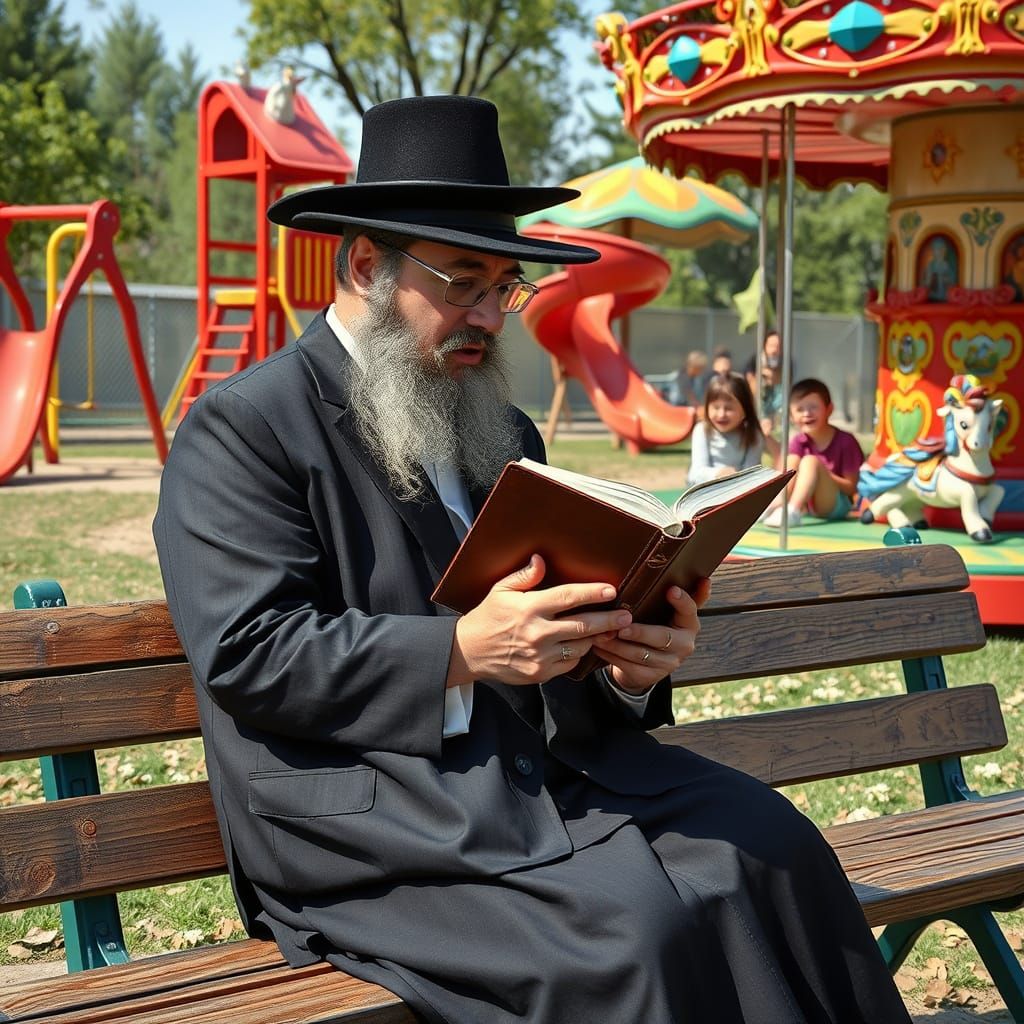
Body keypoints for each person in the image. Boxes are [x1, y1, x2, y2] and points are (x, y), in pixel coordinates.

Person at [153, 95, 911, 1024]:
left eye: (505, 286)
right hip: (373, 821)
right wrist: (462, 653)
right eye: (463, 282)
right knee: (637, 937)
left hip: (537, 777)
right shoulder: (245, 427)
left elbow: (549, 626)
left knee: (777, 849)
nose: (489, 316)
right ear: (364, 264)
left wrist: (627, 661)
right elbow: (250, 651)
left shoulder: (502, 427)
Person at [764, 377, 864, 529]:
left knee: (810, 461)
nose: (807, 413)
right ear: (791, 416)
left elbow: (851, 487)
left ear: (829, 409)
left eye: (813, 407)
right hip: (810, 505)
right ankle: (778, 503)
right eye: (800, 409)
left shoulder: (845, 441)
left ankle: (792, 510)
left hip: (837, 504)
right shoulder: (799, 441)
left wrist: (821, 474)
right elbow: (786, 472)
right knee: (792, 462)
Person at [686, 371, 780, 485]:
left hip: (738, 493)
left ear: (745, 410)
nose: (721, 414)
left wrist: (734, 479)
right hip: (705, 495)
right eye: (716, 407)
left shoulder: (753, 434)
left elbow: (752, 473)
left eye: (729, 408)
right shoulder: (702, 430)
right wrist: (719, 473)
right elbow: (694, 474)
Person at [743, 329, 787, 435]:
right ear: (765, 345)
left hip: (775, 396)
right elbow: (749, 378)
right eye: (771, 346)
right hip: (759, 395)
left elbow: (785, 381)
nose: (774, 350)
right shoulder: (756, 359)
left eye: (777, 346)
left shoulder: (785, 361)